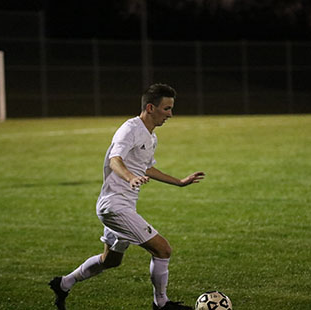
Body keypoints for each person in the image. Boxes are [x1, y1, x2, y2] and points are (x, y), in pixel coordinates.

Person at [49, 83, 205, 310]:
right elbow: (115, 160)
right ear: (150, 108)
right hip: (115, 206)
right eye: (166, 108)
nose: (171, 114)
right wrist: (130, 177)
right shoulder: (130, 129)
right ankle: (161, 304)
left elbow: (147, 168)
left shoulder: (151, 137)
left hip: (122, 205)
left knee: (110, 261)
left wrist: (179, 182)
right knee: (163, 249)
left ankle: (63, 284)